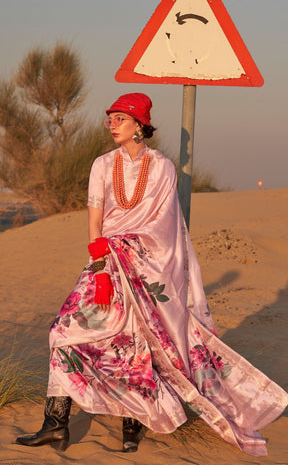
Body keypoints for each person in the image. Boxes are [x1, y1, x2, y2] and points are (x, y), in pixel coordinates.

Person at [16, 92, 288, 455]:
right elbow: (95, 217)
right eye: (109, 118)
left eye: (120, 119)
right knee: (63, 331)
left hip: (147, 267)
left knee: (137, 342)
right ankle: (55, 422)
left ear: (140, 125)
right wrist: (98, 264)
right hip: (107, 262)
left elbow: (168, 225)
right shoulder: (101, 164)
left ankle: (135, 422)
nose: (111, 125)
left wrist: (135, 251)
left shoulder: (162, 167)